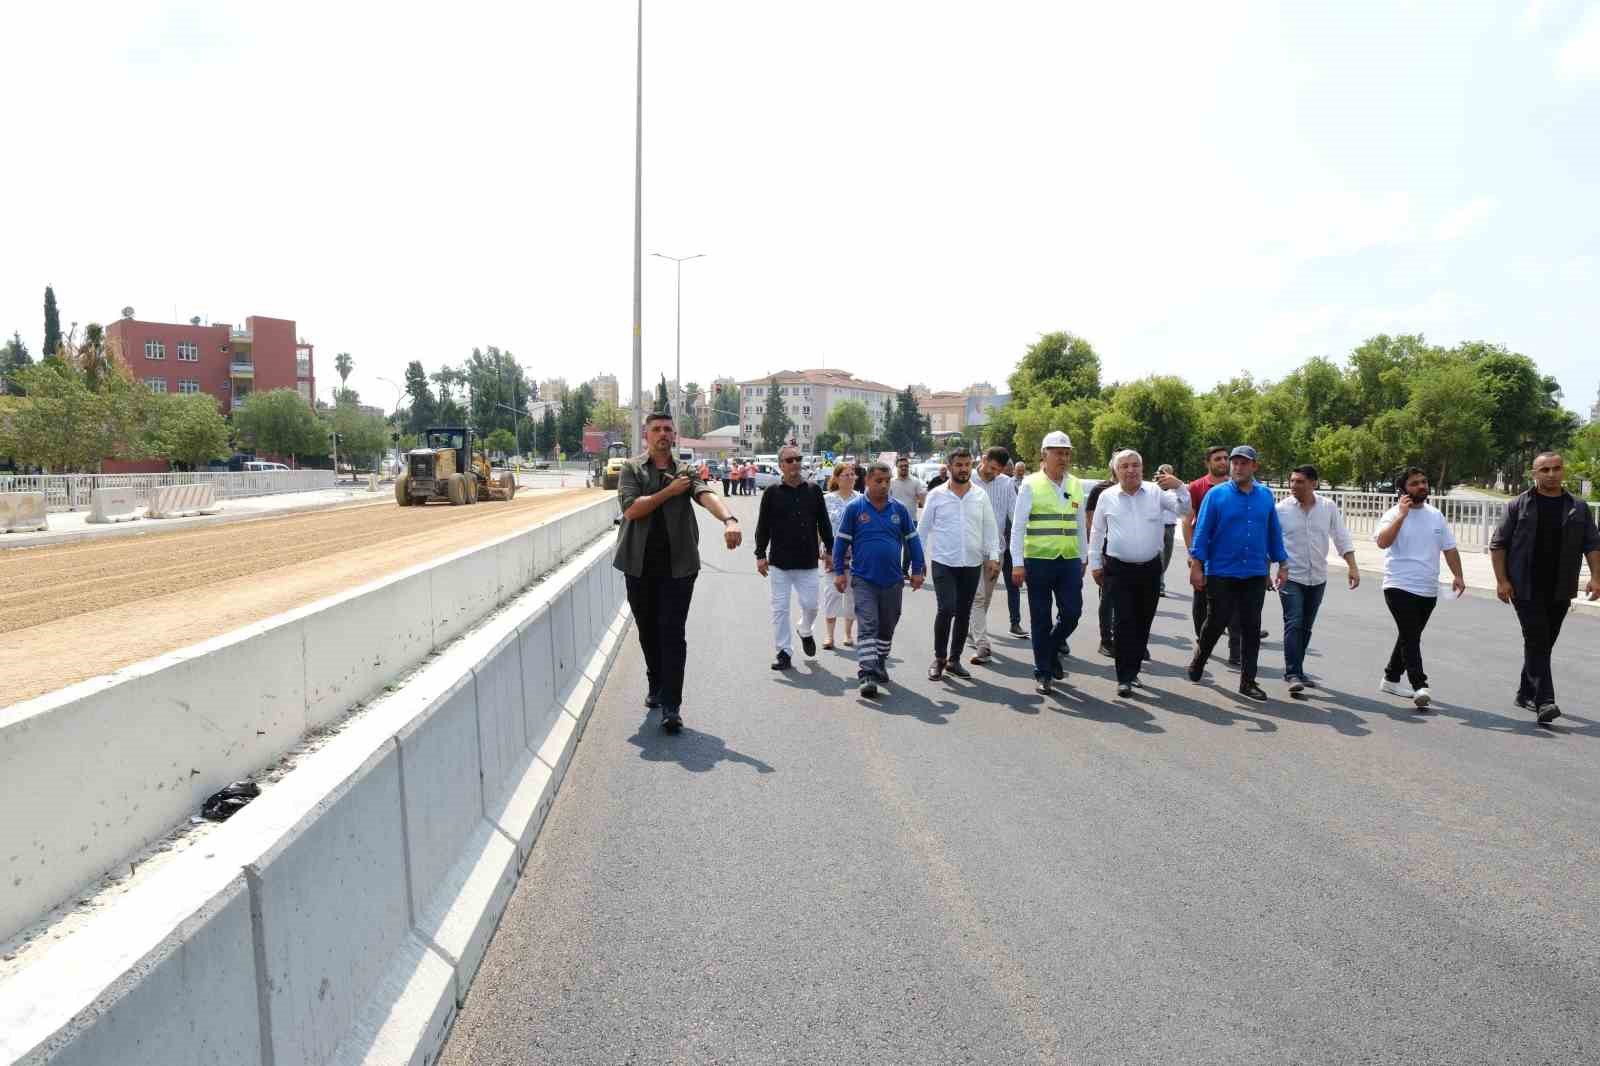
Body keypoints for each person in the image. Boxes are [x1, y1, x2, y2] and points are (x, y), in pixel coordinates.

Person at [615, 412, 742, 733]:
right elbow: (631, 509)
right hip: (638, 566)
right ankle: (655, 681)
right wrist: (668, 493)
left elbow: (705, 494)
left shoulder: (684, 472)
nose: (661, 434)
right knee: (647, 631)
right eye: (656, 429)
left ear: (674, 436)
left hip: (678, 568)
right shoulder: (631, 469)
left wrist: (729, 519)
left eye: (667, 429)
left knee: (672, 633)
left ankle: (672, 705)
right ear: (646, 435)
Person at [1490, 451, 1600, 725]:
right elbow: (1498, 544)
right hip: (1524, 586)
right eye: (1545, 469)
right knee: (1538, 639)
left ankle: (1525, 692)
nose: (1551, 474)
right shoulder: (1518, 505)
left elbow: (1593, 544)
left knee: (1543, 643)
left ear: (1563, 471)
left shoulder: (1578, 507)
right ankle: (1545, 701)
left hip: (1561, 587)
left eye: (1556, 468)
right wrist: (1502, 580)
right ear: (1534, 473)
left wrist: (1596, 577)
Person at [1186, 445, 1287, 701]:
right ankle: (1199, 660)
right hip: (1222, 571)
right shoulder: (1217, 495)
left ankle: (1248, 681)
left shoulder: (1265, 496)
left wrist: (1282, 563)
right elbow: (1203, 532)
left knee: (1251, 627)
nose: (1238, 467)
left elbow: (1273, 531)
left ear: (1254, 466)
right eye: (1235, 463)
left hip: (1253, 571)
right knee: (1216, 622)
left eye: (1244, 463)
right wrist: (1197, 565)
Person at [1089, 450, 1188, 697]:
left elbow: (1183, 509)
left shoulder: (1155, 493)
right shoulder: (1107, 496)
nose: (1131, 470)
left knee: (1143, 622)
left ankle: (1133, 671)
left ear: (1142, 469)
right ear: (1116, 471)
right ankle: (1124, 677)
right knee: (1123, 622)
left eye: (1135, 465)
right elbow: (1097, 531)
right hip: (1118, 569)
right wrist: (1094, 563)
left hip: (1150, 569)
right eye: (1125, 466)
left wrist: (1180, 487)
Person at [1374, 466, 1466, 710]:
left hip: (1427, 588)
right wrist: (1401, 516)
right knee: (1411, 636)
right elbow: (1382, 542)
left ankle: (1391, 678)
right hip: (1398, 585)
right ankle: (1419, 685)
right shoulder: (1392, 514)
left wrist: (1458, 575)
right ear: (1403, 489)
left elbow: (1449, 548)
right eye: (1415, 483)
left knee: (1409, 635)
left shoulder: (1436, 515)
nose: (1422, 486)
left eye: (1424, 482)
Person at [834, 461, 925, 698]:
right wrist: (838, 572)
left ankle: (880, 661)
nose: (884, 486)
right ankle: (866, 673)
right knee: (868, 625)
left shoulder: (899, 510)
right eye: (879, 481)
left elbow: (913, 541)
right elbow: (841, 542)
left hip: (893, 580)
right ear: (867, 482)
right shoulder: (855, 508)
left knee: (887, 625)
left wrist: (917, 569)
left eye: (887, 481)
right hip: (864, 579)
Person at [1010, 430, 1088, 696]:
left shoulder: (1075, 484)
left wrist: (1084, 556)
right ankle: (1043, 671)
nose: (1063, 458)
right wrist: (1017, 563)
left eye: (1066, 453)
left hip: (1068, 561)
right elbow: (1018, 527)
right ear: (1045, 454)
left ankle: (1051, 649)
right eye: (1058, 453)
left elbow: (1080, 525)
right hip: (1038, 561)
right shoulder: (1031, 484)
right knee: (1041, 618)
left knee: (1072, 613)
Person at [1274, 464, 1358, 694]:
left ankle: (1297, 670)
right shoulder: (1280, 510)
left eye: (1299, 482)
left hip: (1318, 577)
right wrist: (1267, 570)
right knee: (1294, 622)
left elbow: (1341, 537)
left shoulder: (1327, 507)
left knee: (1306, 626)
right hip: (1291, 576)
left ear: (1314, 483)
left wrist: (1353, 566)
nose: (1293, 486)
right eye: (1292, 481)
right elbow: (1270, 543)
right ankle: (1292, 673)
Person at [917, 448, 999, 680]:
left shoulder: (980, 496)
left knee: (963, 612)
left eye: (967, 464)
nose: (963, 469)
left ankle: (955, 660)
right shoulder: (936, 495)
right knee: (946, 609)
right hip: (944, 561)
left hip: (971, 564)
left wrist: (993, 556)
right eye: (959, 465)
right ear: (950, 466)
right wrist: (917, 560)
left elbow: (990, 528)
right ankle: (939, 658)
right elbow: (922, 531)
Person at [755, 444, 834, 671]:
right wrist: (760, 554)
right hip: (779, 562)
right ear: (781, 465)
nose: (795, 463)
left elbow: (824, 523)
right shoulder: (771, 493)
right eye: (789, 460)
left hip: (807, 560)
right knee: (780, 609)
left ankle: (805, 629)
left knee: (811, 606)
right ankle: (784, 652)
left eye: (798, 459)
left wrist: (830, 550)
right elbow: (763, 526)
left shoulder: (813, 490)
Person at [968, 446, 1020, 663]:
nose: (994, 473)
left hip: (996, 550)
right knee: (978, 596)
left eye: (998, 470)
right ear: (984, 459)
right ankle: (982, 643)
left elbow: (1015, 516)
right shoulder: (967, 480)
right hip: (969, 548)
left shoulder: (1006, 484)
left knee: (985, 597)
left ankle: (974, 629)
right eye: (991, 468)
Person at [821, 462, 861, 650]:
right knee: (832, 593)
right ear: (836, 478)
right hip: (833, 553)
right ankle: (829, 636)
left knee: (852, 595)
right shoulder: (827, 499)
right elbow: (819, 526)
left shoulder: (862, 499)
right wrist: (818, 548)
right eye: (846, 474)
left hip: (856, 555)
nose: (850, 477)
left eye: (852, 474)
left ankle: (848, 634)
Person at [1084, 461, 1119, 658]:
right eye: (1121, 464)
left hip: (1129, 555)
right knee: (1107, 597)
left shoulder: (1139, 490)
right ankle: (1106, 640)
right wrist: (1094, 554)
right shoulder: (1100, 490)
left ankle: (1124, 638)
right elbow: (1091, 521)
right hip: (1106, 551)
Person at [890, 455, 928, 577]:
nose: (904, 468)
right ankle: (895, 570)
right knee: (894, 547)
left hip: (911, 520)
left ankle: (904, 570)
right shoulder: (891, 482)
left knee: (909, 549)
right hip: (893, 521)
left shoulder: (915, 482)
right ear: (897, 467)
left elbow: (922, 498)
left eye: (906, 466)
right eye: (901, 466)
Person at [1156, 464, 1180, 596]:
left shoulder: (1176, 490)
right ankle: (1159, 585)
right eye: (1161, 472)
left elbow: (1184, 506)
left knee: (1167, 558)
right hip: (1157, 527)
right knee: (1159, 558)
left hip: (1170, 527)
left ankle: (1157, 578)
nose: (1164, 475)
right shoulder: (1153, 489)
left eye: (1167, 472)